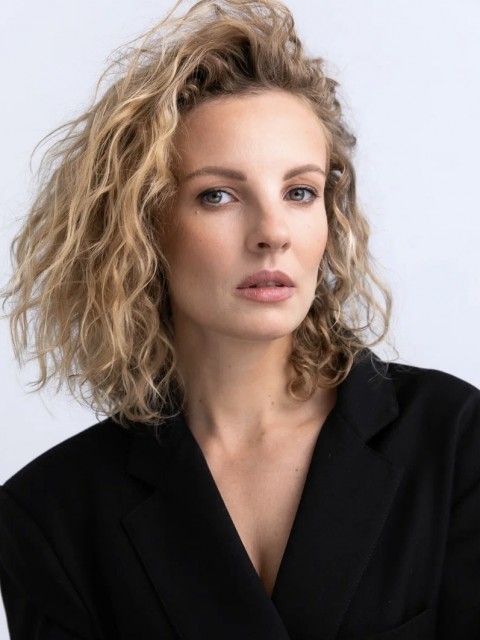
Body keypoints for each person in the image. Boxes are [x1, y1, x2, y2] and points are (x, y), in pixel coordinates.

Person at [0, 0, 479, 638]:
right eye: (218, 195)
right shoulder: (50, 514)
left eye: (300, 192)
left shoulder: (454, 439)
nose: (273, 232)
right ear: (141, 228)